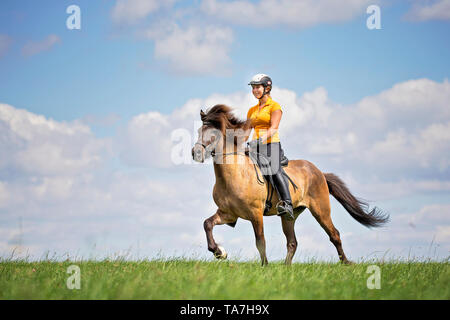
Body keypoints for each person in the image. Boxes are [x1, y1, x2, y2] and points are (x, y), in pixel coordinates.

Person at [246, 74, 294, 220]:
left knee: (273, 169)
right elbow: (245, 131)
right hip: (255, 146)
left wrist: (259, 140)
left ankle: (287, 204)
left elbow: (273, 128)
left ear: (267, 88)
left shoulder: (275, 106)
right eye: (253, 88)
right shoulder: (252, 110)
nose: (255, 90)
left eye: (257, 87)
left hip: (271, 144)